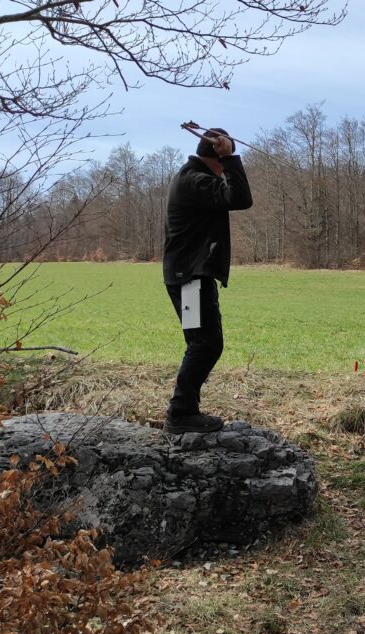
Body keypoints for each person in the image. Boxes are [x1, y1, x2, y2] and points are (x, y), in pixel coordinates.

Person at [161, 127, 254, 434]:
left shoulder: (193, 179)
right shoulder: (194, 181)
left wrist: (226, 159)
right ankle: (181, 413)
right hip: (189, 278)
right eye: (222, 161)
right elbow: (239, 198)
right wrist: (230, 157)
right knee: (206, 344)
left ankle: (185, 411)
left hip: (186, 275)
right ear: (215, 155)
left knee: (199, 344)